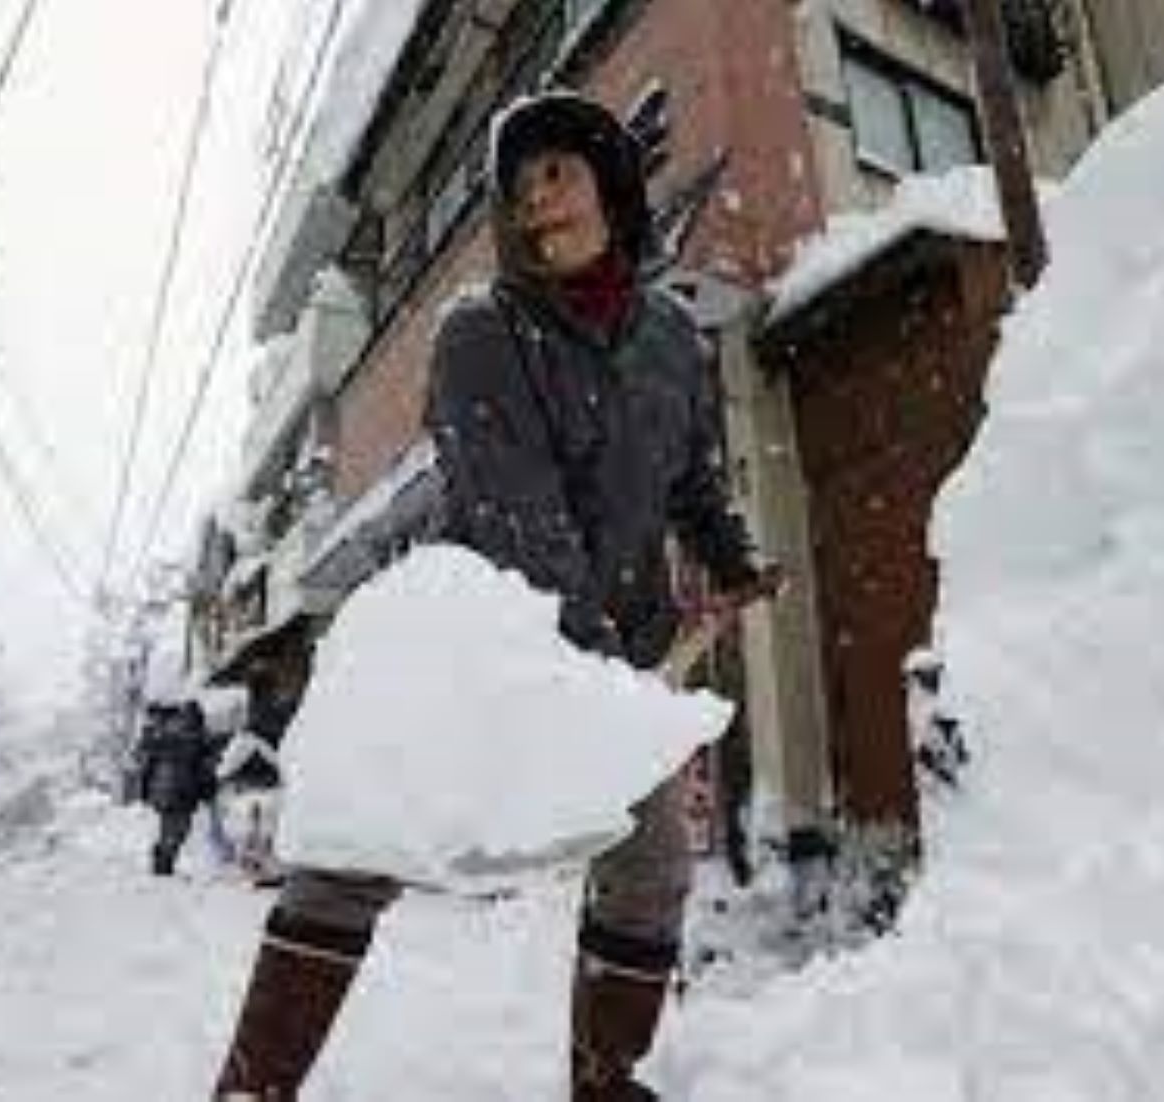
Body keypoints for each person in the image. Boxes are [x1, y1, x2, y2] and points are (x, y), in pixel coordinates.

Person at [212, 90, 781, 1100]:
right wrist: (600, 669)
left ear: (608, 183)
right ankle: (253, 1087)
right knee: (355, 852)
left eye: (555, 174)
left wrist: (731, 560)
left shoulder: (671, 343)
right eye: (516, 191)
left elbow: (688, 474)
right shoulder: (479, 330)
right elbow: (517, 513)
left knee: (648, 870)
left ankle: (605, 1080)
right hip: (482, 639)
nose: (535, 203)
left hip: (616, 644)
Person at [137, 700, 228, 877]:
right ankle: (162, 864)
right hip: (178, 790)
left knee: (173, 829)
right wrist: (208, 790)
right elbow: (203, 767)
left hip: (169, 789)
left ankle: (163, 862)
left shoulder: (165, 735)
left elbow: (147, 759)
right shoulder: (187, 737)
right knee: (177, 829)